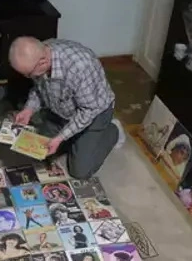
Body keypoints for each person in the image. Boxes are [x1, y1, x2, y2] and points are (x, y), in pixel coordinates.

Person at [9, 37, 124, 179]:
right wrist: (29, 109)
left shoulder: (81, 66)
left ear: (43, 62)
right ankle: (74, 139)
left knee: (80, 171)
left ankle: (113, 130)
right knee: (37, 150)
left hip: (94, 114)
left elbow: (88, 110)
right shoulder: (40, 54)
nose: (28, 77)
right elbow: (39, 89)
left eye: (28, 74)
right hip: (60, 111)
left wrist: (61, 137)